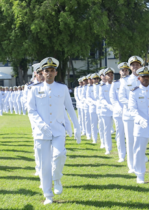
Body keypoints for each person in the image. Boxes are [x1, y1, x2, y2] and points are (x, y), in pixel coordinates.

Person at [27, 57, 81, 205]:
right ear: (42, 73)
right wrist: (41, 125)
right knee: (44, 165)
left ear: (56, 72)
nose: (49, 73)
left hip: (58, 129)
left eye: (52, 70)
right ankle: (48, 195)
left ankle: (56, 178)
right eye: (46, 71)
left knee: (59, 155)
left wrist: (76, 127)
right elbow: (31, 111)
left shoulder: (62, 88)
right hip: (41, 132)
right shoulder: (34, 89)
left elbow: (70, 108)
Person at [128, 66, 149, 184]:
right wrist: (140, 119)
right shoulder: (134, 92)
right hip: (140, 124)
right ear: (139, 78)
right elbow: (132, 109)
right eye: (143, 77)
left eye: (147, 76)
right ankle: (140, 174)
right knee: (139, 150)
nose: (146, 78)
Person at [119, 56, 143, 173]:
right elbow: (121, 97)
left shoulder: (144, 79)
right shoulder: (124, 81)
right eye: (133, 65)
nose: (135, 67)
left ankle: (140, 163)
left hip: (142, 115)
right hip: (128, 115)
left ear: (141, 66)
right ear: (130, 67)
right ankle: (132, 166)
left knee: (141, 140)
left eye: (137, 65)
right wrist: (132, 105)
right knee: (130, 140)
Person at [110, 62, 129, 162]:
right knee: (120, 134)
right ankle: (122, 155)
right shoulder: (115, 83)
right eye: (123, 70)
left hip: (130, 112)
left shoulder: (132, 82)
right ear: (120, 72)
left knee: (132, 135)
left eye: (126, 70)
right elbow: (113, 98)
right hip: (118, 113)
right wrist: (119, 109)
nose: (124, 72)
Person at [99, 68, 115, 154]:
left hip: (116, 110)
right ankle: (108, 148)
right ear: (105, 76)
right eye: (108, 75)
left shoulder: (116, 85)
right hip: (106, 110)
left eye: (111, 75)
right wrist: (109, 106)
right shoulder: (102, 87)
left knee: (120, 130)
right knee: (107, 130)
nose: (110, 76)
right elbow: (102, 99)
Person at [86, 73, 99, 143]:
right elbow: (88, 97)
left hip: (100, 107)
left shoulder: (101, 86)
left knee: (101, 124)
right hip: (93, 107)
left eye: (97, 79)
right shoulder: (89, 87)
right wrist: (95, 102)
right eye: (94, 79)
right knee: (93, 124)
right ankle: (94, 138)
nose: (96, 80)